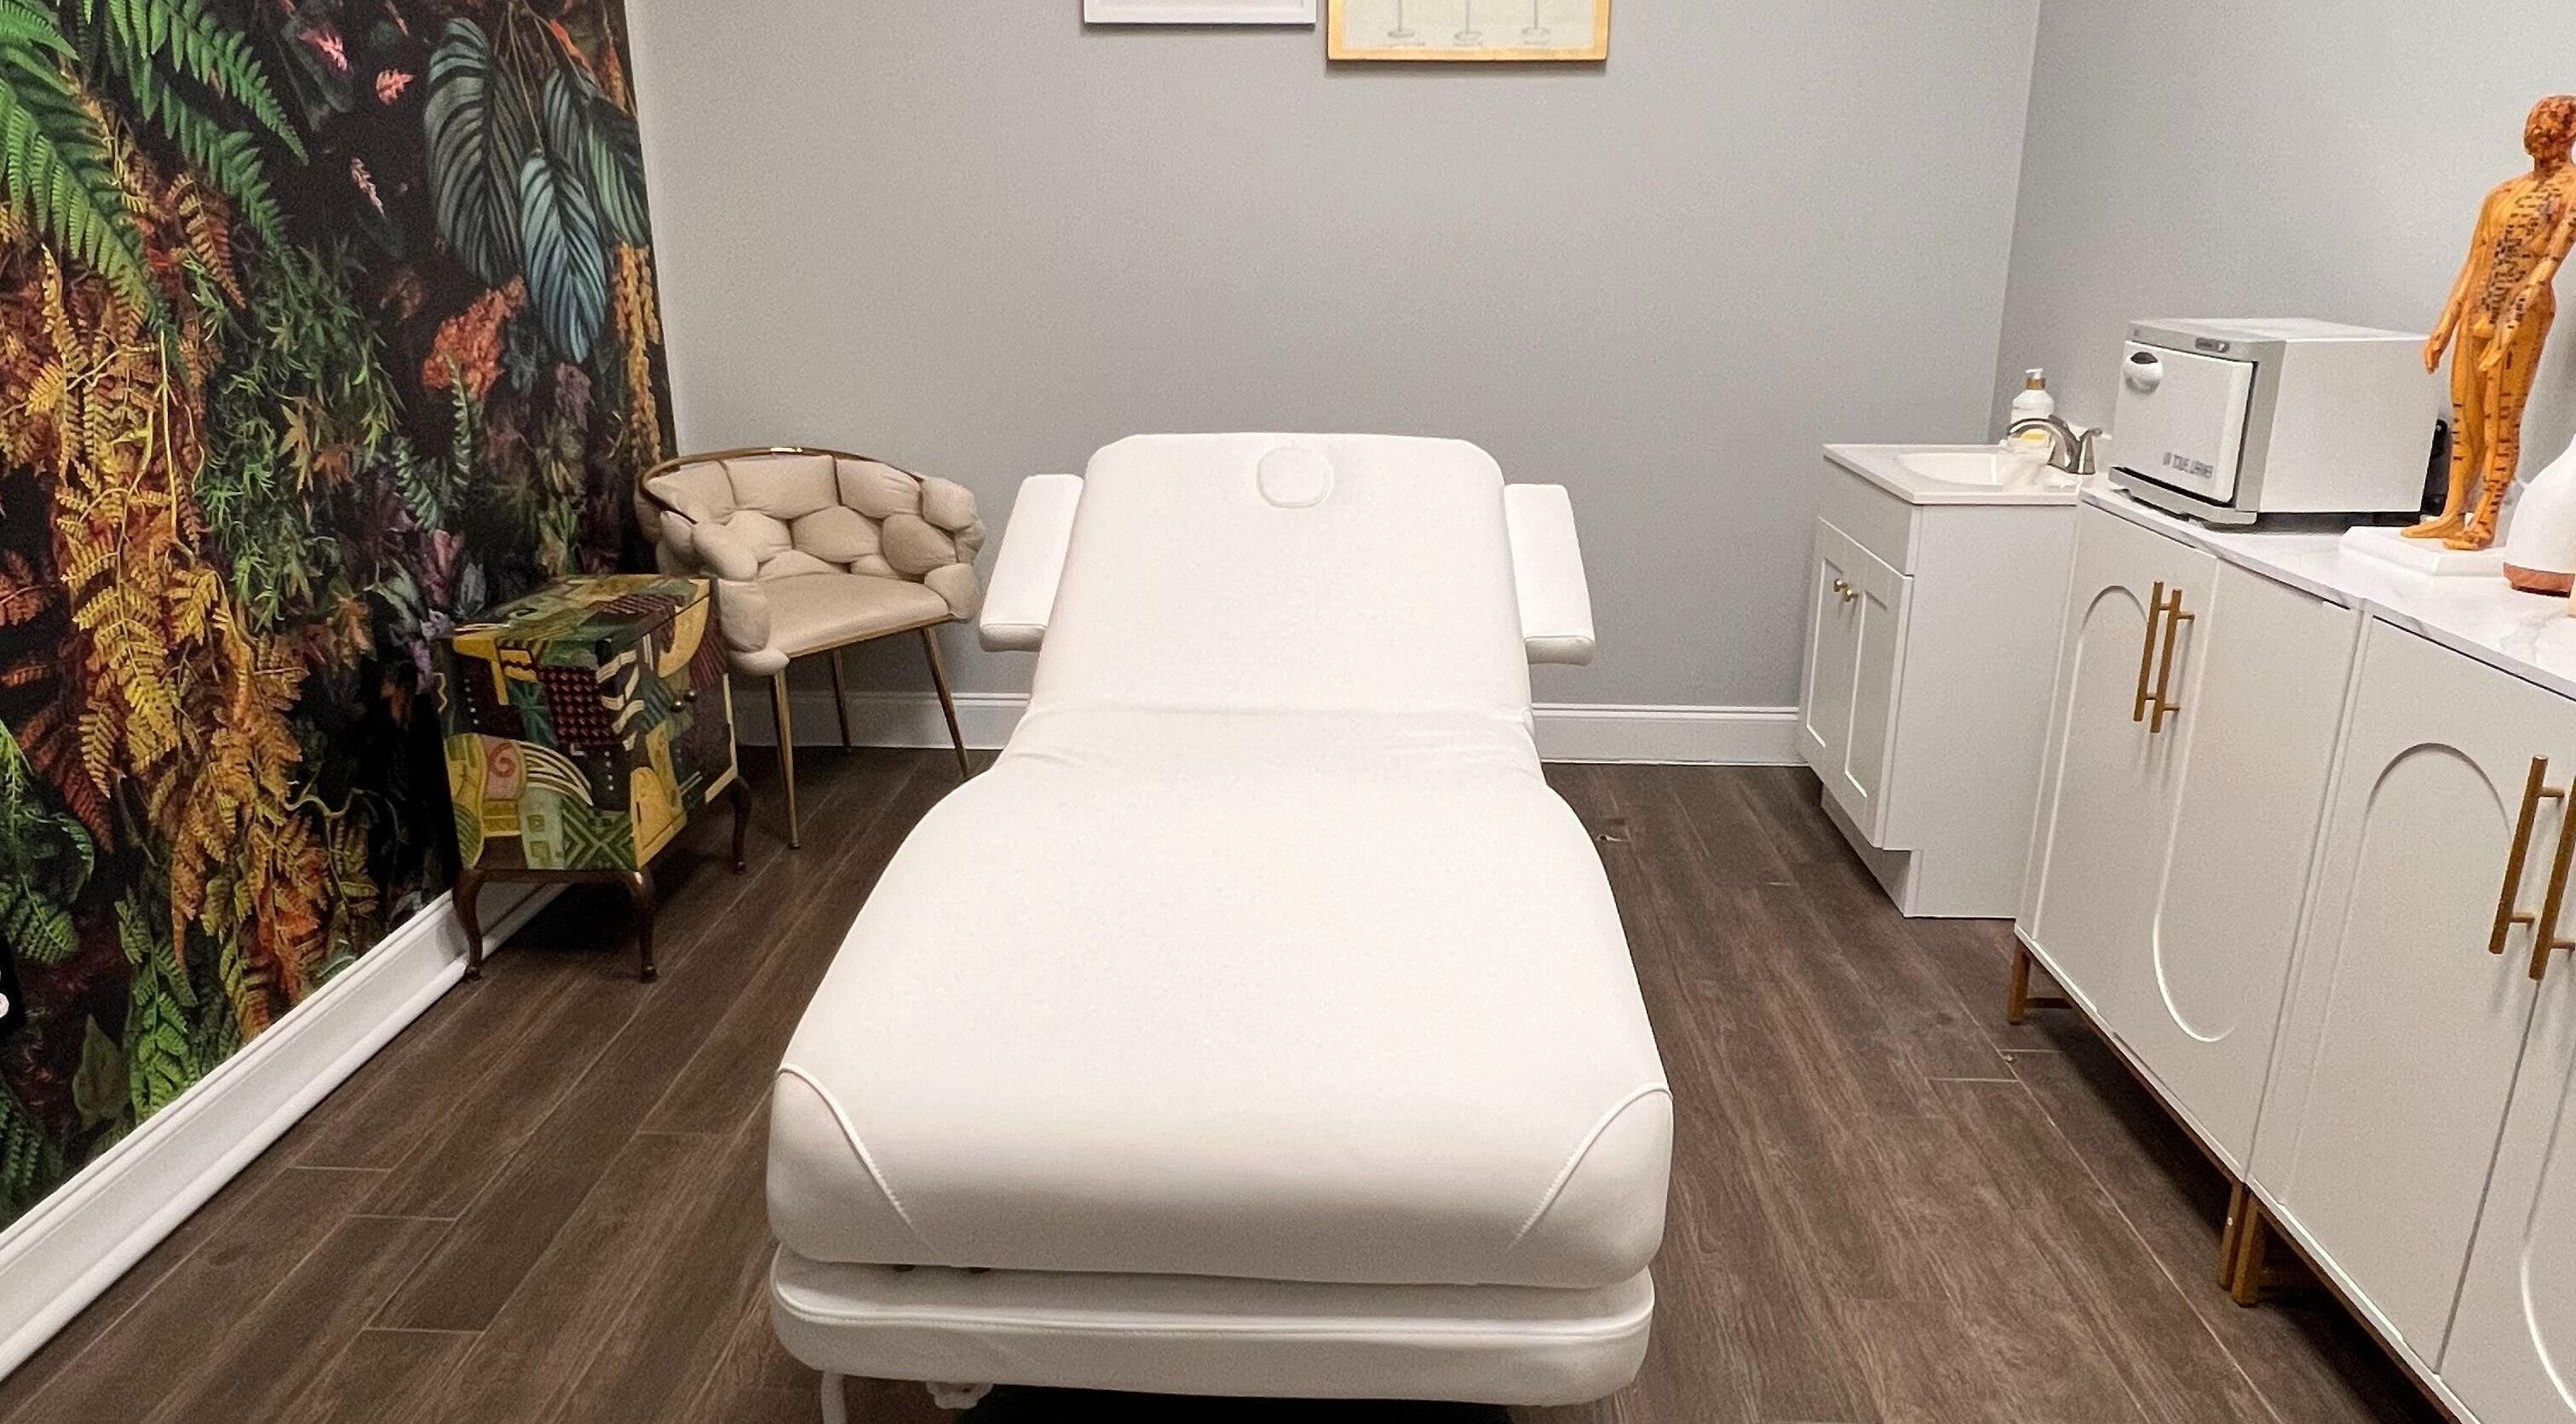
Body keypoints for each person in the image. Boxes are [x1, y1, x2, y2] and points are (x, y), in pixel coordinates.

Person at [2414, 95, 2576, 551]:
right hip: (2475, 311)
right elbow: (2474, 261)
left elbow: (2549, 261)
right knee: (2465, 416)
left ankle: (2485, 517)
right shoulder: (2502, 194)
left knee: (2500, 419)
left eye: (2550, 128)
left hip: (2522, 317)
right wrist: (2444, 326)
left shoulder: (2571, 190)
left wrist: (2512, 321)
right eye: (2535, 127)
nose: (2540, 136)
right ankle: (2452, 512)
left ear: (2569, 133)